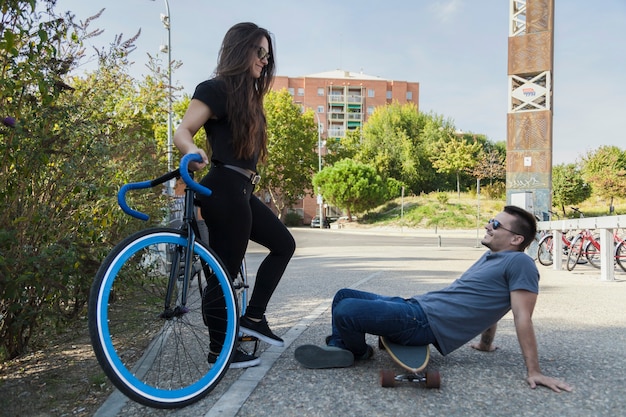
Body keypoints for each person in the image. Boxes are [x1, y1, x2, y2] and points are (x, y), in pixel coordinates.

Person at [294, 205, 572, 392]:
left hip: (422, 323)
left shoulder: (520, 265)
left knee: (347, 311)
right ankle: (345, 347)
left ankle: (353, 352)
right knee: (343, 295)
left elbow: (522, 315)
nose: (489, 225)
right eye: (491, 220)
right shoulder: (492, 257)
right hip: (415, 307)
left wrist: (534, 370)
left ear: (515, 239)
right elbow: (491, 306)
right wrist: (486, 344)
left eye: (496, 224)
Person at [174, 22, 295, 368]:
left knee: (284, 244)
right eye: (259, 52)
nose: (263, 60)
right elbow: (183, 130)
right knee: (222, 273)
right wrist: (192, 152)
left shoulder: (250, 99)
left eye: (267, 56)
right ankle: (219, 351)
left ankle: (253, 318)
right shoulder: (215, 89)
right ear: (240, 50)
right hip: (223, 186)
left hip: (241, 189)